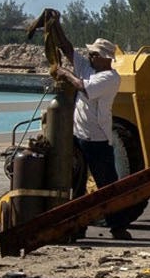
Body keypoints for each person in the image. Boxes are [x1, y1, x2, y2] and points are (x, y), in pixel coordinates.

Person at [54, 37, 131, 241]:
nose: (90, 56)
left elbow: (82, 87)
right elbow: (69, 50)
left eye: (94, 54)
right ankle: (77, 227)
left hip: (97, 139)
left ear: (104, 58)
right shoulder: (89, 69)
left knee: (107, 185)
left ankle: (118, 226)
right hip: (78, 135)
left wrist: (64, 73)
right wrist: (56, 28)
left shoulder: (110, 78)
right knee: (76, 183)